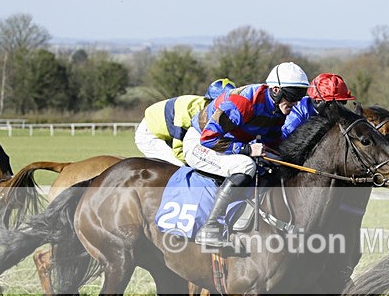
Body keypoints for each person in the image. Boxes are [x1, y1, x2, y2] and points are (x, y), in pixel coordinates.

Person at [183, 61, 310, 248]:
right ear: (275, 90)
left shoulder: (277, 109)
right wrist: (248, 150)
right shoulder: (242, 103)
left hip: (225, 143)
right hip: (200, 143)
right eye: (292, 95)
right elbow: (208, 140)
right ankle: (210, 227)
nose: (296, 102)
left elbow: (273, 142)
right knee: (246, 166)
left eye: (301, 95)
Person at [134, 78, 235, 165]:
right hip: (150, 135)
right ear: (210, 100)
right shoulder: (188, 113)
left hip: (167, 133)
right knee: (178, 166)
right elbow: (179, 151)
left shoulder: (209, 110)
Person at [281, 73, 355, 139]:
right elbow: (283, 140)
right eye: (335, 103)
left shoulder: (331, 113)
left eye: (342, 102)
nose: (339, 108)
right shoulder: (298, 114)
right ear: (318, 101)